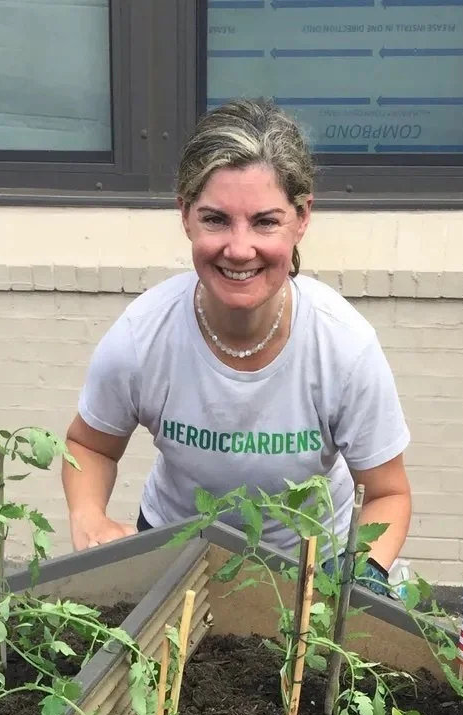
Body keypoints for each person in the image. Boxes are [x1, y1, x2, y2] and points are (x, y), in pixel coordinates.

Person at [61, 98, 412, 595]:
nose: (240, 248)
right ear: (185, 215)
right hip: (174, 564)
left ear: (301, 218)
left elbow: (388, 493)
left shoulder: (343, 347)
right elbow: (89, 445)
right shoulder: (144, 336)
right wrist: (88, 516)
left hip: (308, 574)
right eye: (216, 219)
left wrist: (361, 574)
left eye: (265, 221)